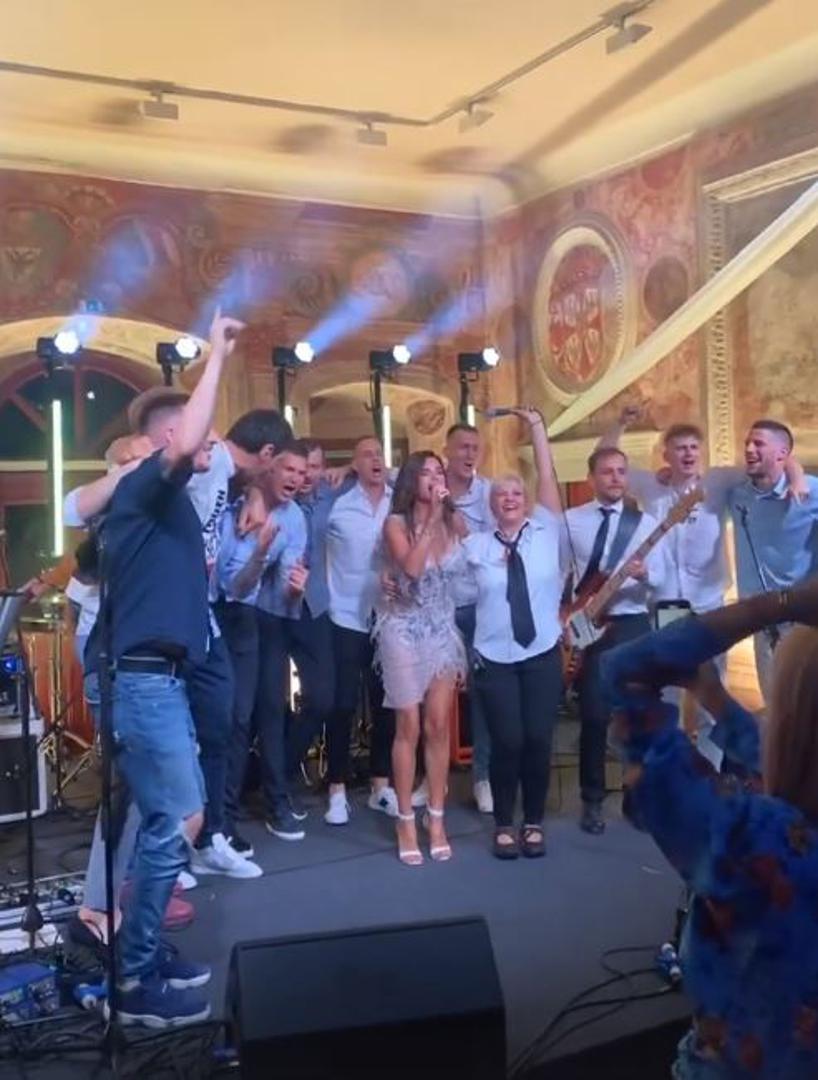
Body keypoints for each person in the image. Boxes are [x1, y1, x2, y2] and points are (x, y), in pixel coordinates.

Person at [84, 311, 241, 1027]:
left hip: (154, 678)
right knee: (179, 816)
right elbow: (186, 438)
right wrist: (218, 358)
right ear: (167, 441)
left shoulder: (167, 500)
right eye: (199, 433)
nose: (211, 441)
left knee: (164, 819)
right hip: (141, 679)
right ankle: (135, 977)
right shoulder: (148, 483)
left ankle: (139, 960)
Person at [602, 577, 818, 1079]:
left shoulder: (755, 840)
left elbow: (624, 672)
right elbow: (789, 757)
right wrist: (715, 699)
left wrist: (778, 604)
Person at [463, 409, 563, 859]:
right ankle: (504, 822)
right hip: (494, 659)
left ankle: (534, 821)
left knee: (539, 740)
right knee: (508, 742)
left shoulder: (547, 531)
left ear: (527, 500)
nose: (509, 498)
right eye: (501, 494)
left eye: (516, 492)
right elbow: (445, 582)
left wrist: (537, 426)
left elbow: (546, 474)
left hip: (541, 653)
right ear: (491, 505)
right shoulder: (476, 546)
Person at [562, 446, 670, 836]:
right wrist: (564, 618)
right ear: (591, 478)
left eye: (621, 471)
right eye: (607, 472)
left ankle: (636, 795)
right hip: (592, 626)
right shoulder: (570, 521)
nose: (615, 478)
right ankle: (591, 800)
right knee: (593, 715)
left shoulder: (645, 523)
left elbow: (663, 579)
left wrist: (645, 576)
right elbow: (560, 575)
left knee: (638, 715)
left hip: (633, 621)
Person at [375, 452, 467, 865]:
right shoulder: (396, 523)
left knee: (438, 725)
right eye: (427, 472)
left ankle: (437, 817)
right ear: (413, 480)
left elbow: (473, 560)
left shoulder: (455, 522)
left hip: (441, 628)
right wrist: (429, 522)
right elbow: (411, 569)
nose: (435, 478)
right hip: (402, 628)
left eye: (439, 472)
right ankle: (405, 820)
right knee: (408, 724)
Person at [215, 444, 309, 843]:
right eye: (289, 469)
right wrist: (259, 552)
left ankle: (267, 804)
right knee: (232, 716)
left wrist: (295, 590)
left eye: (302, 473)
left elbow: (276, 587)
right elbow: (229, 586)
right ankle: (219, 820)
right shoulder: (233, 506)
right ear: (268, 467)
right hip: (214, 609)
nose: (296, 479)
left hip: (253, 613)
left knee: (264, 709)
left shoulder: (295, 517)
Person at [324, 436, 397, 825]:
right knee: (343, 703)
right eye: (367, 454)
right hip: (345, 615)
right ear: (354, 464)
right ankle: (336, 787)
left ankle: (380, 784)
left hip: (386, 616)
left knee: (386, 701)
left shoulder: (397, 501)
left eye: (379, 454)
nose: (375, 459)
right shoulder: (338, 503)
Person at [728, 418, 818, 701]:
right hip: (761, 617)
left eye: (758, 443)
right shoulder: (737, 493)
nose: (749, 449)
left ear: (782, 454)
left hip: (802, 616)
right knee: (773, 700)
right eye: (747, 443)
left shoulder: (812, 492)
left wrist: (797, 476)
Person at [441, 423, 495, 814]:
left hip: (478, 604)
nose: (469, 454)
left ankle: (482, 777)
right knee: (433, 695)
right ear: (446, 449)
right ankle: (432, 779)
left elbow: (497, 547)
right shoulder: (429, 486)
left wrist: (466, 535)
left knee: (482, 693)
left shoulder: (490, 493)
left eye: (475, 447)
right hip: (437, 605)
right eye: (462, 447)